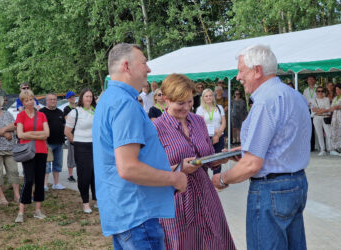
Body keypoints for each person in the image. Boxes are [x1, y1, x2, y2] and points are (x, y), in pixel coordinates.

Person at [212, 45, 311, 250]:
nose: (238, 77)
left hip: (271, 189)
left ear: (257, 70)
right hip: (296, 183)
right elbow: (281, 143)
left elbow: (252, 165)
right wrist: (243, 151)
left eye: (241, 70)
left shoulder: (265, 102)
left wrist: (221, 179)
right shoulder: (294, 95)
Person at [92, 43, 187, 249]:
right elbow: (128, 168)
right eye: (144, 62)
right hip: (138, 215)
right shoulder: (125, 103)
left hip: (124, 212)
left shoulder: (109, 99)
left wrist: (164, 170)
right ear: (127, 66)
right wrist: (174, 178)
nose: (148, 69)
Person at [154, 74, 235, 249]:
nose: (186, 108)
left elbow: (206, 160)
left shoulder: (198, 121)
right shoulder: (156, 128)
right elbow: (150, 172)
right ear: (166, 99)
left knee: (215, 241)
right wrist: (179, 168)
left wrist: (223, 156)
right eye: (180, 103)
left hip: (205, 195)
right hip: (176, 200)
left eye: (189, 102)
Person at [14, 90, 50, 223]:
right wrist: (37, 134)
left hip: (41, 150)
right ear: (22, 102)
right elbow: (20, 135)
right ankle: (21, 211)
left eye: (31, 99)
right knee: (28, 180)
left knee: (40, 180)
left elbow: (47, 134)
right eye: (26, 100)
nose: (29, 102)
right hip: (28, 151)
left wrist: (29, 133)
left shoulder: (41, 115)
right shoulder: (21, 115)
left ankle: (37, 210)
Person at [65, 88, 97, 213]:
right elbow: (67, 132)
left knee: (96, 174)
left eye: (91, 96)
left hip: (95, 146)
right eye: (86, 96)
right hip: (81, 146)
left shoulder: (95, 111)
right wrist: (77, 142)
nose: (89, 98)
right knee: (84, 175)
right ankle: (85, 202)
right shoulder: (75, 112)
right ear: (82, 98)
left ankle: (96, 199)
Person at [0, 94, 19, 205]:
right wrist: (4, 134)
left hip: (10, 148)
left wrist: (3, 130)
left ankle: (17, 195)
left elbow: (15, 125)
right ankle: (1, 196)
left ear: (0, 102)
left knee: (13, 171)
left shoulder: (7, 113)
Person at [196, 88, 226, 174]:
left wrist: (218, 134)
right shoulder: (200, 109)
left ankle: (216, 182)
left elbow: (223, 122)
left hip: (220, 136)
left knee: (218, 160)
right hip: (206, 137)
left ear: (213, 97)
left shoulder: (219, 107)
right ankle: (206, 183)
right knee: (206, 160)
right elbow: (201, 124)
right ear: (203, 98)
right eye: (206, 96)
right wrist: (215, 131)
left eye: (210, 95)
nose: (208, 97)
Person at [40, 93, 66, 190]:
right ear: (46, 101)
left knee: (57, 164)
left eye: (54, 99)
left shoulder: (60, 112)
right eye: (50, 99)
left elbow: (64, 125)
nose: (52, 101)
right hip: (47, 143)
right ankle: (45, 184)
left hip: (59, 142)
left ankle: (56, 183)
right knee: (46, 165)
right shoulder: (42, 112)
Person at [311, 86, 331, 156]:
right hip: (316, 118)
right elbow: (313, 110)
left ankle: (330, 148)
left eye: (322, 91)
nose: (320, 92)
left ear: (324, 92)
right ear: (316, 92)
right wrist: (323, 110)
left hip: (325, 118)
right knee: (319, 134)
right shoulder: (313, 100)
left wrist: (318, 110)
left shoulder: (326, 99)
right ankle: (322, 149)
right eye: (318, 91)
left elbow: (328, 109)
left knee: (328, 133)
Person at [63, 91, 77, 182]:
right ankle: (70, 175)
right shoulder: (66, 108)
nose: (72, 98)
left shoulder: (79, 106)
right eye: (70, 97)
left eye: (73, 96)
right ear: (67, 99)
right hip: (71, 133)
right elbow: (67, 119)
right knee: (71, 155)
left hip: (80, 133)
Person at [328, 83, 341, 156]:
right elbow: (331, 108)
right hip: (335, 118)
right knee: (336, 133)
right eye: (336, 89)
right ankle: (337, 148)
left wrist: (338, 107)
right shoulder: (335, 98)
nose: (337, 91)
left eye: (339, 89)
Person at [303, 75, 317, 151]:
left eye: (312, 79)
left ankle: (319, 146)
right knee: (310, 128)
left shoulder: (318, 89)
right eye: (309, 79)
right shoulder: (305, 90)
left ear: (314, 80)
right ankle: (311, 146)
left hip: (317, 110)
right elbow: (303, 100)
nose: (311, 81)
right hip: (308, 110)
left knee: (318, 128)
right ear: (307, 81)